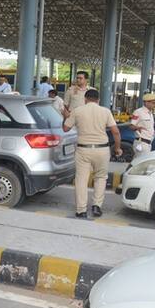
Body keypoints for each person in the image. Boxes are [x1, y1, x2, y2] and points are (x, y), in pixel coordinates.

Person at [62, 90, 122, 218]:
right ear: (98, 100)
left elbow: (65, 129)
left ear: (85, 99)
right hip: (102, 150)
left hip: (83, 149)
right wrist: (117, 148)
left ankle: (81, 210)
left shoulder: (77, 111)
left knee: (81, 180)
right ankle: (96, 206)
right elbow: (115, 132)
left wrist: (66, 116)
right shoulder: (105, 111)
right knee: (100, 177)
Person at [129, 93, 155, 158]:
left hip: (148, 143)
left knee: (142, 165)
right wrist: (137, 127)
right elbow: (131, 126)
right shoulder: (138, 112)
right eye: (153, 103)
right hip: (141, 143)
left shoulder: (150, 114)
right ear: (146, 103)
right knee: (140, 164)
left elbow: (149, 129)